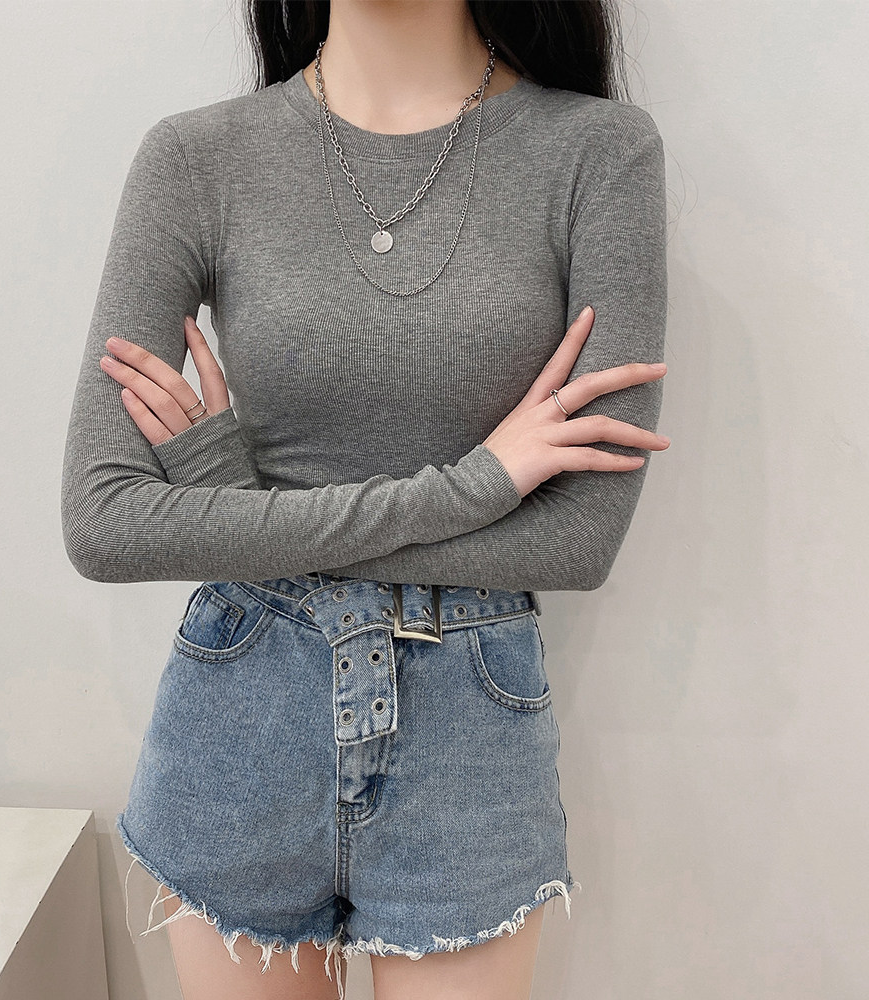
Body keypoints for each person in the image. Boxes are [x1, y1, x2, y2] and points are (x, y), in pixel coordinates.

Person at [60, 1, 671, 998]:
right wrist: (480, 486)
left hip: (467, 740)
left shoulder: (597, 153)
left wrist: (232, 507)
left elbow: (577, 542)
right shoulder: (196, 158)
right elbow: (105, 523)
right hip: (240, 716)